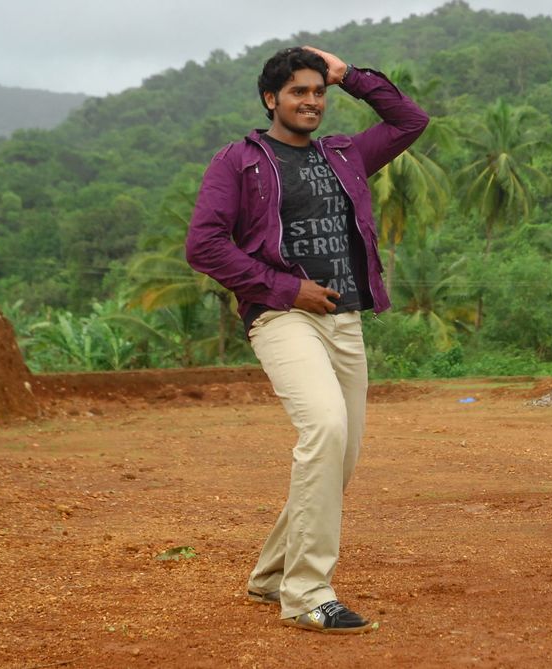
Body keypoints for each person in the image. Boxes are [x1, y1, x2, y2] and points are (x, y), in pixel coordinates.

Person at [185, 46, 428, 633]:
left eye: (318, 92)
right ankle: (307, 593)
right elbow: (204, 245)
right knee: (324, 428)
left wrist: (349, 75)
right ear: (271, 98)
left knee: (338, 457)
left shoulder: (344, 155)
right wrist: (286, 288)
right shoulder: (239, 162)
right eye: (299, 91)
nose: (312, 101)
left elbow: (410, 121)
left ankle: (272, 574)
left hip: (345, 320)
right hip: (281, 317)